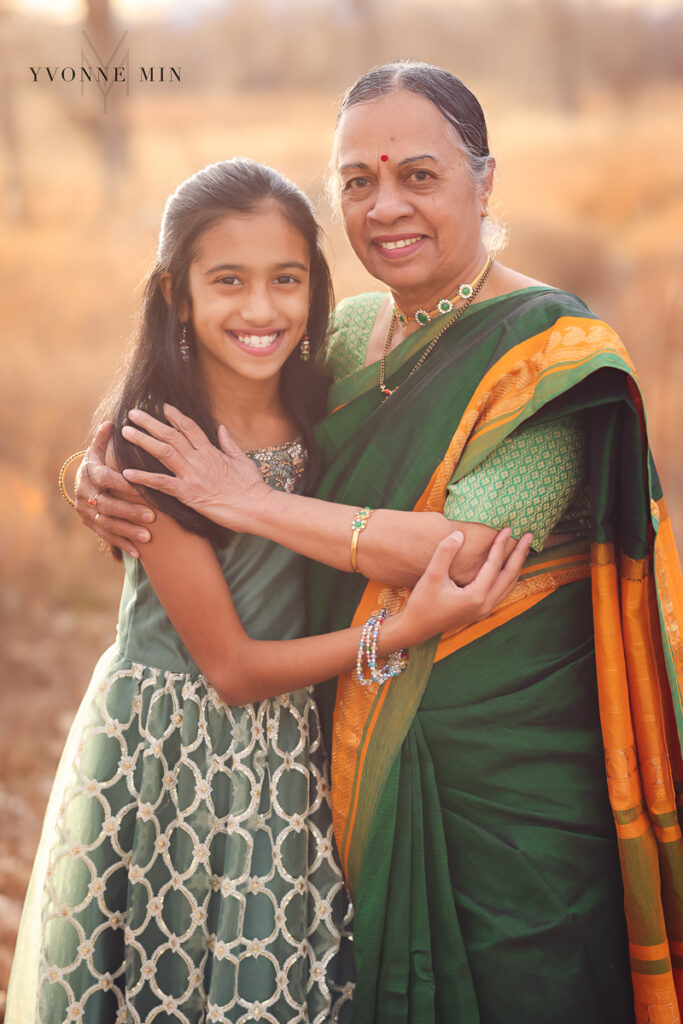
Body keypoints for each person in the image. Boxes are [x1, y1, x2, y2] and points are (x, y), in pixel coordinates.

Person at [70, 63, 683, 1024]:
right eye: (357, 180)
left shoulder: (547, 354)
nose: (384, 206)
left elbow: (465, 552)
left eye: (419, 176)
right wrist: (101, 466)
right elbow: (230, 408)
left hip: (508, 788)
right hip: (338, 765)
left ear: (486, 182)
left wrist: (246, 505)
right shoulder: (351, 331)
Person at [5, 157, 532, 1024]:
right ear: (177, 295)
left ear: (316, 289)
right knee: (183, 968)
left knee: (288, 968)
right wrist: (406, 629)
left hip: (291, 741)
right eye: (228, 283)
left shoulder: (321, 398)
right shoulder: (162, 446)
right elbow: (234, 670)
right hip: (181, 752)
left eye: (286, 280)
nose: (260, 310)